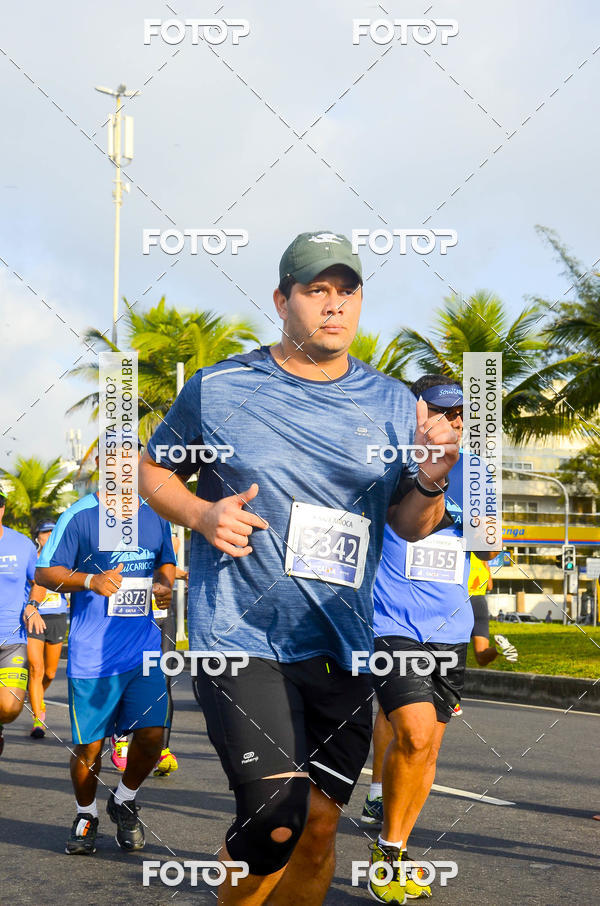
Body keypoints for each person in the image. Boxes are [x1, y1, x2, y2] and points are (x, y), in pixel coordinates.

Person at [139, 231, 459, 905]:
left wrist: (431, 479)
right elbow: (151, 470)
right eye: (316, 290)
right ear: (283, 300)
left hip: (341, 644)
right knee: (274, 822)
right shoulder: (222, 388)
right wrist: (199, 514)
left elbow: (407, 522)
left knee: (317, 829)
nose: (333, 306)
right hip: (241, 638)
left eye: (347, 291)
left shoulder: (395, 402)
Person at [362, 375, 500, 904]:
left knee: (427, 749)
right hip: (391, 624)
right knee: (415, 734)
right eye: (444, 412)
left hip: (451, 628)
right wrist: (435, 480)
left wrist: (484, 528)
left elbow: (487, 555)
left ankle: (391, 847)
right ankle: (387, 843)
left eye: (463, 413)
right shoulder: (393, 468)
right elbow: (409, 527)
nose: (456, 421)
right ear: (416, 416)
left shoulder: (479, 473)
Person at [36, 456, 176, 855]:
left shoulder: (154, 513)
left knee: (151, 739)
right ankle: (86, 813)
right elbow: (46, 572)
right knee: (90, 748)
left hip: (144, 648)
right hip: (93, 655)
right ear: (103, 465)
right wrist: (89, 580)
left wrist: (164, 583)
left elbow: (166, 559)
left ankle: (125, 799)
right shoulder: (80, 515)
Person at [0, 492, 46, 755]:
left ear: (3, 508)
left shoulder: (21, 544)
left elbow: (39, 580)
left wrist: (32, 605)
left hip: (12, 637)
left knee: (9, 709)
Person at [27, 520, 68, 739]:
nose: (50, 535)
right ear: (38, 537)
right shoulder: (31, 558)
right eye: (45, 532)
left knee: (50, 672)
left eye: (53, 531)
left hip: (57, 616)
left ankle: (36, 695)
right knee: (36, 668)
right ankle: (38, 717)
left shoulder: (64, 557)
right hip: (35, 617)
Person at [469, 553, 518, 667]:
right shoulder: (482, 557)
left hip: (462, 601)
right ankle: (499, 649)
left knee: (449, 647)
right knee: (481, 657)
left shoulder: (463, 553)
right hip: (479, 604)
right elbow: (490, 586)